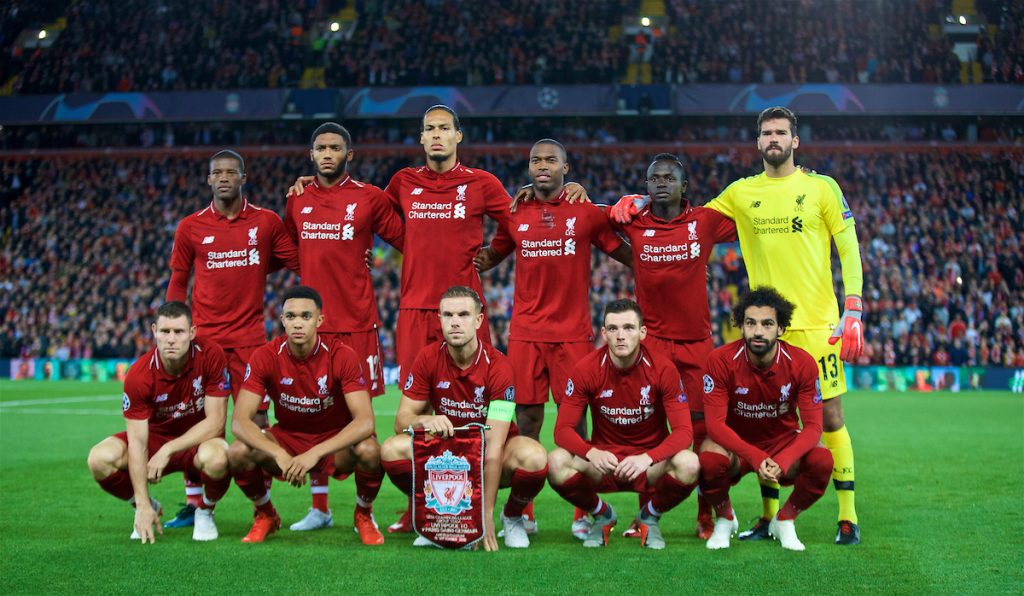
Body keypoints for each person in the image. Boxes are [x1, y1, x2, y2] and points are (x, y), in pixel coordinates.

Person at [288, 106, 586, 533]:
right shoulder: (401, 183)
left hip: (465, 308)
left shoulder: (482, 183)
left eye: (445, 128)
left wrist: (559, 192)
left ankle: (521, 504)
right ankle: (420, 505)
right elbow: (362, 213)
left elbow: (519, 219)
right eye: (429, 129)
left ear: (458, 136)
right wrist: (313, 187)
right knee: (421, 408)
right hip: (414, 309)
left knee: (485, 404)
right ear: (422, 138)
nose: (437, 135)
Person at [611, 107, 866, 545]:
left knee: (830, 416)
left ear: (795, 141)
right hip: (763, 326)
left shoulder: (822, 187)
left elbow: (848, 245)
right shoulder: (742, 193)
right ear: (758, 141)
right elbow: (682, 222)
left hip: (817, 324)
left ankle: (848, 516)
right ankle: (767, 518)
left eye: (781, 132)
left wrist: (854, 307)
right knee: (761, 419)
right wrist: (635, 201)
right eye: (766, 132)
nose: (773, 139)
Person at [475, 138, 632, 537]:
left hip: (573, 336)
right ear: (528, 168)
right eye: (535, 160)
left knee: (575, 424)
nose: (542, 165)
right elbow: (492, 254)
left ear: (566, 168)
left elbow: (621, 250)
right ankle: (522, 510)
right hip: (526, 333)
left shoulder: (586, 210)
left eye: (550, 160)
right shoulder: (515, 211)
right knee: (526, 420)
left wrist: (663, 269)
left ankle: (585, 511)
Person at [164, 149, 300, 528]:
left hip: (250, 342)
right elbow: (178, 279)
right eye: (216, 173)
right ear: (209, 180)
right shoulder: (190, 226)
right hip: (203, 342)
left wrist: (354, 255)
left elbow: (300, 260)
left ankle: (263, 504)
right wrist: (172, 329)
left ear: (243, 177)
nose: (223, 177)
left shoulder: (267, 222)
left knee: (255, 424)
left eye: (230, 172)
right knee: (196, 420)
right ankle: (195, 505)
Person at [608, 153, 737, 540]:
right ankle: (645, 514)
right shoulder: (633, 222)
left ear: (685, 186)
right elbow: (587, 215)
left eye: (670, 177)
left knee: (703, 433)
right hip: (653, 344)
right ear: (645, 187)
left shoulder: (705, 221)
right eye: (654, 178)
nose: (662, 182)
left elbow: (755, 218)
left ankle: (708, 514)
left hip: (698, 344)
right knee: (651, 432)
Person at [282, 122, 404, 532]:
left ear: (349, 155)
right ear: (311, 155)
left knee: (362, 428)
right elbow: (293, 254)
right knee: (316, 415)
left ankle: (363, 511)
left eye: (336, 147)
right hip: (313, 327)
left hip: (357, 326)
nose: (328, 153)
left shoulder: (370, 198)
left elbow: (409, 238)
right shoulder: (297, 200)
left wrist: (376, 260)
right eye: (321, 148)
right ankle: (320, 508)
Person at [379, 286, 548, 550]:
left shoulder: (500, 367)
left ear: (479, 320)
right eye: (448, 315)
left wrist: (486, 515)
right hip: (448, 456)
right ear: (440, 320)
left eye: (463, 314)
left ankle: (512, 515)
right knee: (391, 449)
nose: (455, 322)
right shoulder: (427, 358)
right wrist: (424, 421)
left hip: (491, 454)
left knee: (535, 456)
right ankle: (438, 515)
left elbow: (493, 448)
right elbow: (402, 421)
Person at [227, 286, 382, 545]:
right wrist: (278, 452)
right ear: (282, 320)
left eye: (306, 316)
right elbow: (239, 422)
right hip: (288, 439)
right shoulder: (265, 356)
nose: (298, 323)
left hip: (334, 443)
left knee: (369, 450)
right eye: (291, 316)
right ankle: (265, 514)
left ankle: (363, 514)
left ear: (319, 320)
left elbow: (365, 421)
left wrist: (316, 452)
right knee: (237, 451)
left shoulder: (341, 355)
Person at [547, 299, 700, 549]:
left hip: (649, 466)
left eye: (629, 328)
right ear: (604, 333)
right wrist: (591, 452)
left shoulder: (663, 369)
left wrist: (648, 458)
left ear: (642, 332)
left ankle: (649, 516)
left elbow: (684, 433)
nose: (621, 336)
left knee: (690, 463)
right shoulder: (586, 369)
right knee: (555, 462)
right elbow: (561, 431)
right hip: (604, 463)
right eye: (614, 328)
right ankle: (603, 514)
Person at [699, 287, 834, 551]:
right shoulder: (720, 360)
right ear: (741, 325)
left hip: (781, 443)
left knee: (822, 460)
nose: (758, 331)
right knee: (708, 460)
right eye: (751, 323)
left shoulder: (803, 363)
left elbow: (814, 427)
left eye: (767, 324)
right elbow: (714, 425)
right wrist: (754, 456)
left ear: (781, 328)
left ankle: (785, 520)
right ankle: (725, 519)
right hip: (736, 445)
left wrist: (783, 459)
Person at [86, 301, 231, 543]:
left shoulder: (212, 355)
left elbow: (216, 422)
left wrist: (169, 449)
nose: (171, 339)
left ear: (192, 333)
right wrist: (141, 503)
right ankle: (145, 506)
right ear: (154, 331)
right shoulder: (139, 374)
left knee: (220, 457)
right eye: (165, 332)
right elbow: (137, 442)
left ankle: (205, 511)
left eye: (179, 332)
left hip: (196, 441)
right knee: (99, 459)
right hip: (154, 442)